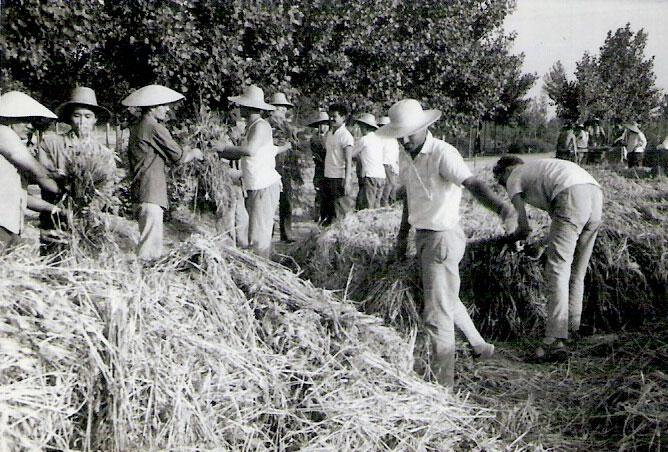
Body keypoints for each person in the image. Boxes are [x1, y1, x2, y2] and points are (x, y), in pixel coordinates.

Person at [378, 99, 514, 387]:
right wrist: (402, 237)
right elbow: (410, 198)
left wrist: (502, 208)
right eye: (399, 135)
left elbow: (473, 184)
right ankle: (479, 345)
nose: (404, 140)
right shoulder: (406, 155)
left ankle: (444, 385)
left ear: (425, 127)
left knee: (436, 312)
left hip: (443, 237)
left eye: (409, 134)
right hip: (424, 235)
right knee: (446, 299)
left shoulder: (443, 153)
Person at [492, 156, 602, 360]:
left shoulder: (513, 176)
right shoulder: (541, 169)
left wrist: (513, 239)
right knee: (577, 272)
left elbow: (524, 226)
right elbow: (567, 223)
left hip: (571, 195)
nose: (504, 186)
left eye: (500, 181)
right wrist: (542, 244)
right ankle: (573, 327)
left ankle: (554, 340)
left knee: (557, 270)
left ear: (504, 171)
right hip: (594, 194)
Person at [122, 84, 203, 262]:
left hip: (140, 190)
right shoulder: (154, 127)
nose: (167, 110)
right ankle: (143, 283)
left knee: (148, 241)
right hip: (151, 192)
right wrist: (195, 153)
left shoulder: (137, 127)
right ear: (152, 108)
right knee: (149, 251)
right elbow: (179, 157)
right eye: (164, 106)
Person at [38, 86, 117, 256]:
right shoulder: (51, 144)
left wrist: (94, 206)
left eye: (87, 117)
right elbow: (40, 174)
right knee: (53, 257)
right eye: (77, 116)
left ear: (95, 120)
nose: (82, 122)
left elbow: (107, 186)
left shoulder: (103, 153)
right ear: (69, 118)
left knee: (83, 257)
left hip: (86, 218)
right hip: (55, 213)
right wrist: (58, 179)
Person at [215, 85, 289, 258]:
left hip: (263, 186)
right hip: (255, 186)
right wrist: (219, 152)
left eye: (242, 105)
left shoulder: (260, 126)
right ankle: (260, 271)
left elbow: (250, 150)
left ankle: (264, 275)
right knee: (255, 234)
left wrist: (224, 147)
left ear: (249, 107)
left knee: (259, 238)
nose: (239, 108)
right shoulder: (252, 126)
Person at [0, 91, 63, 252]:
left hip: (9, 226)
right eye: (24, 119)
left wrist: (54, 208)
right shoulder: (3, 132)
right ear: (8, 117)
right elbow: (36, 171)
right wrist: (62, 188)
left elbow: (19, 196)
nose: (30, 126)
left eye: (31, 121)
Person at [268, 92, 302, 242]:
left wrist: (297, 171)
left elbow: (296, 149)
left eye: (283, 109)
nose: (281, 111)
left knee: (286, 201)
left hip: (287, 167)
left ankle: (286, 232)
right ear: (271, 109)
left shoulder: (289, 129)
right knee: (270, 202)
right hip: (271, 167)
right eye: (278, 108)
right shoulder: (266, 126)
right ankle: (268, 232)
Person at [322, 103, 355, 225]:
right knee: (328, 210)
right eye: (330, 116)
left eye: (334, 116)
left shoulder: (346, 136)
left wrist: (347, 181)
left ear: (343, 118)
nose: (332, 119)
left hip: (339, 177)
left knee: (339, 210)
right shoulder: (330, 133)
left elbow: (348, 160)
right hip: (328, 175)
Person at [351, 113, 385, 210]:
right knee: (376, 206)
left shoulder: (364, 140)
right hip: (381, 175)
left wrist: (358, 157)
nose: (360, 130)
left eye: (361, 127)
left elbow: (351, 155)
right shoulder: (379, 140)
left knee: (367, 207)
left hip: (370, 175)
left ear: (365, 127)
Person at [305, 111, 329, 222]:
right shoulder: (315, 138)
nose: (322, 127)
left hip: (330, 168)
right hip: (320, 168)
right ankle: (319, 215)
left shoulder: (331, 136)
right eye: (320, 124)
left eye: (325, 124)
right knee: (320, 193)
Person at [378, 116, 400, 206]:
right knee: (389, 184)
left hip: (392, 163)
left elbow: (395, 153)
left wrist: (396, 164)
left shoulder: (392, 139)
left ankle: (391, 202)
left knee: (393, 184)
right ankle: (385, 201)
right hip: (386, 162)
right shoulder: (382, 138)